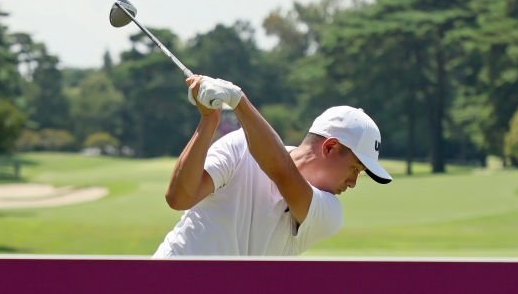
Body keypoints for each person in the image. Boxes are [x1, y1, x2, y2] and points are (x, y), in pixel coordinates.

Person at [153, 75, 391, 257]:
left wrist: (238, 100)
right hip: (166, 278)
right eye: (354, 169)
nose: (352, 183)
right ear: (329, 148)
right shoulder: (240, 145)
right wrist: (209, 120)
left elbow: (282, 173)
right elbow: (179, 198)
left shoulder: (329, 213)